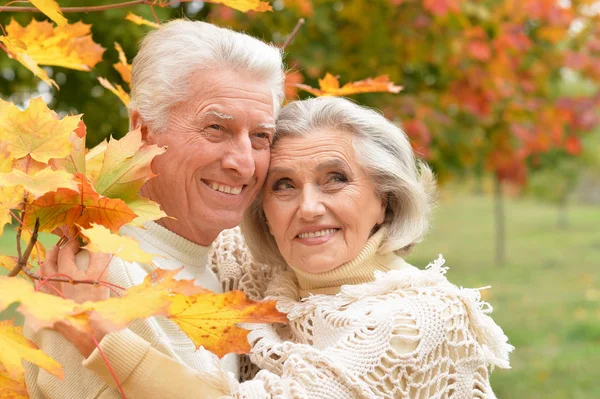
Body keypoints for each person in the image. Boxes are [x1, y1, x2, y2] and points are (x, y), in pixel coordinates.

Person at [54, 97, 513, 398]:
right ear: (264, 212)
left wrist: (104, 340)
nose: (309, 208)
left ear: (385, 199)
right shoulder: (261, 274)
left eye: (336, 179)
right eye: (284, 186)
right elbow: (173, 213)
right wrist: (66, 210)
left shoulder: (417, 319)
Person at [24, 19, 285, 398]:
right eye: (216, 128)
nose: (244, 164)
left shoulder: (234, 270)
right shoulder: (95, 280)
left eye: (261, 136)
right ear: (143, 132)